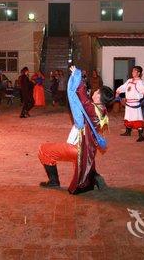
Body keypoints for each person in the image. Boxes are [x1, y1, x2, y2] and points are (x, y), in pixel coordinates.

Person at [38, 65, 107, 194]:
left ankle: (54, 181)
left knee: (44, 150)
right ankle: (95, 176)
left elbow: (80, 94)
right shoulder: (103, 110)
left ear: (99, 98)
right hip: (88, 148)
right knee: (85, 159)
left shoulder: (91, 109)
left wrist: (77, 75)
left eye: (97, 92)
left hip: (77, 147)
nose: (94, 92)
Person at [116, 66, 144, 142]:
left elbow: (143, 89)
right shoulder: (129, 80)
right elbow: (123, 87)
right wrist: (118, 91)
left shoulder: (140, 82)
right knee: (128, 117)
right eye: (132, 71)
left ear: (138, 73)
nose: (132, 73)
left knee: (137, 118)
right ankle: (128, 131)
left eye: (134, 71)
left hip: (135, 104)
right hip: (128, 103)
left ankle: (141, 135)